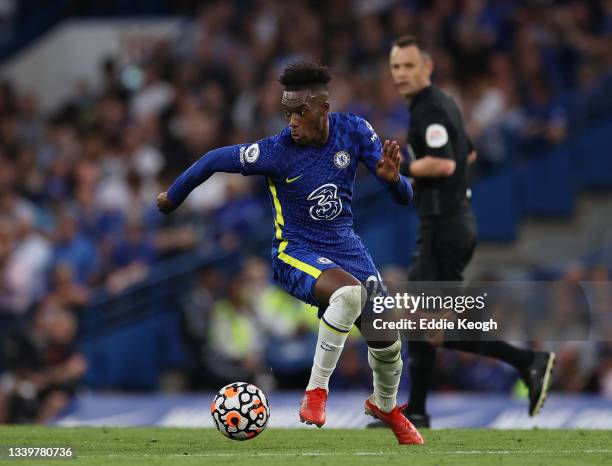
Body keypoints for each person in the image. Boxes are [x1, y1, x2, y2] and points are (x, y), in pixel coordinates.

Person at [157, 62, 424, 445]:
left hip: (345, 245)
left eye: (300, 112)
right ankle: (316, 392)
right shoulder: (276, 151)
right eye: (287, 114)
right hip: (294, 250)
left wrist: (393, 180)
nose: (292, 122)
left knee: (387, 334)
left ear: (323, 107)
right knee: (349, 296)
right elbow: (215, 159)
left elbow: (405, 197)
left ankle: (385, 406)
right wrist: (172, 197)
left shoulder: (355, 131)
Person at [368, 35, 556, 429]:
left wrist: (400, 170)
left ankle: (527, 361)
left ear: (428, 67)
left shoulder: (429, 108)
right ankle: (417, 410)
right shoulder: (441, 105)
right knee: (425, 325)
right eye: (396, 66)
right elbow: (467, 152)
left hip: (444, 225)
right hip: (448, 221)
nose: (401, 74)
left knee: (424, 325)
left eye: (408, 66)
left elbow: (446, 163)